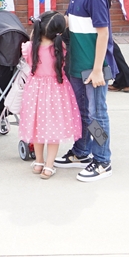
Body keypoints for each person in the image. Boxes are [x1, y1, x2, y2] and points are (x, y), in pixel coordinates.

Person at [53, 0, 116, 182]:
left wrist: (98, 69)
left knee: (96, 114)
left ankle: (102, 160)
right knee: (81, 111)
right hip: (77, 66)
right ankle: (81, 151)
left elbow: (103, 33)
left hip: (93, 68)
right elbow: (71, 23)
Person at [19, 11, 83, 179]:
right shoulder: (60, 48)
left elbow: (30, 43)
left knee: (37, 127)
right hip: (57, 92)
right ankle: (48, 166)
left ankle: (38, 163)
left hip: (35, 93)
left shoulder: (29, 48)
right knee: (54, 129)